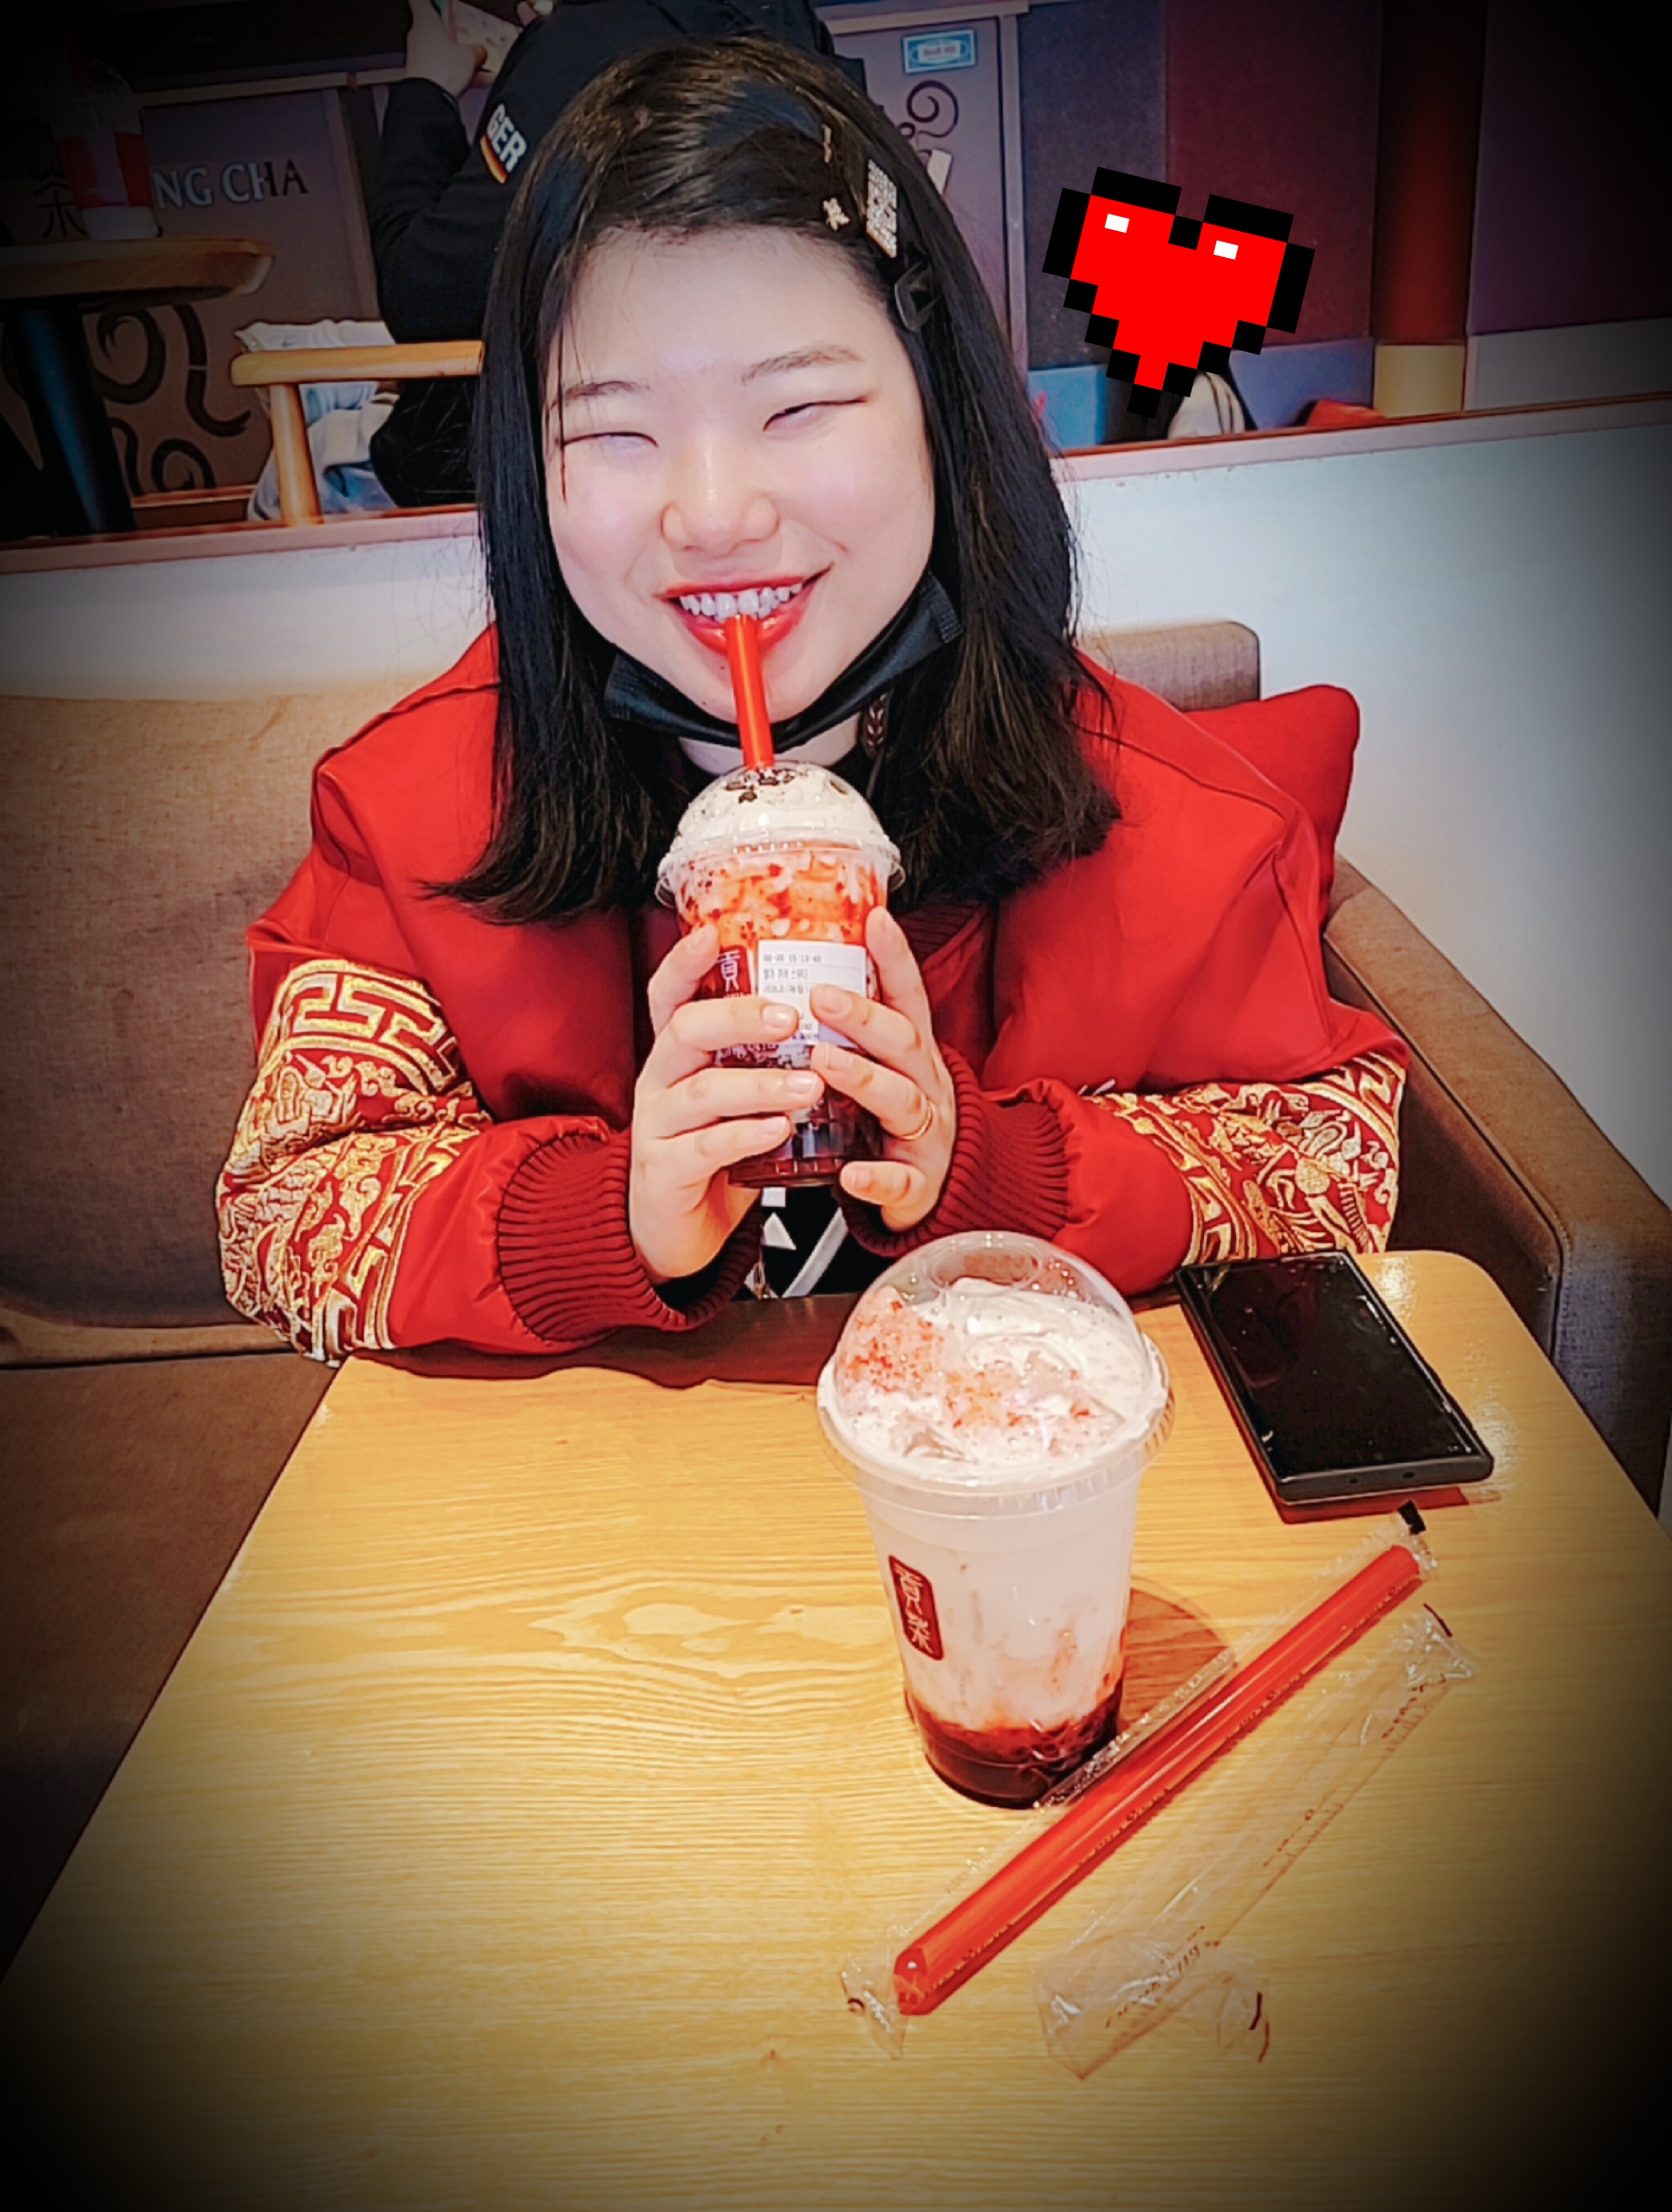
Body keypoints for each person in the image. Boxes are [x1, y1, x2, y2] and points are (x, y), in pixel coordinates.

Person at [217, 37, 1406, 1362]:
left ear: (940, 412)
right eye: (612, 430)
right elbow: (284, 1216)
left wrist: (991, 1169)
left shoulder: (1160, 816)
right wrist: (605, 1212)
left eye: (797, 409)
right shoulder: (418, 813)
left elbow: (1335, 1166)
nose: (714, 513)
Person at [369, 0, 849, 506]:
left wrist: (427, 90)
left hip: (520, 477)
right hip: (754, 435)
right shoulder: (792, 31)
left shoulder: (579, 49)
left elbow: (421, 295)